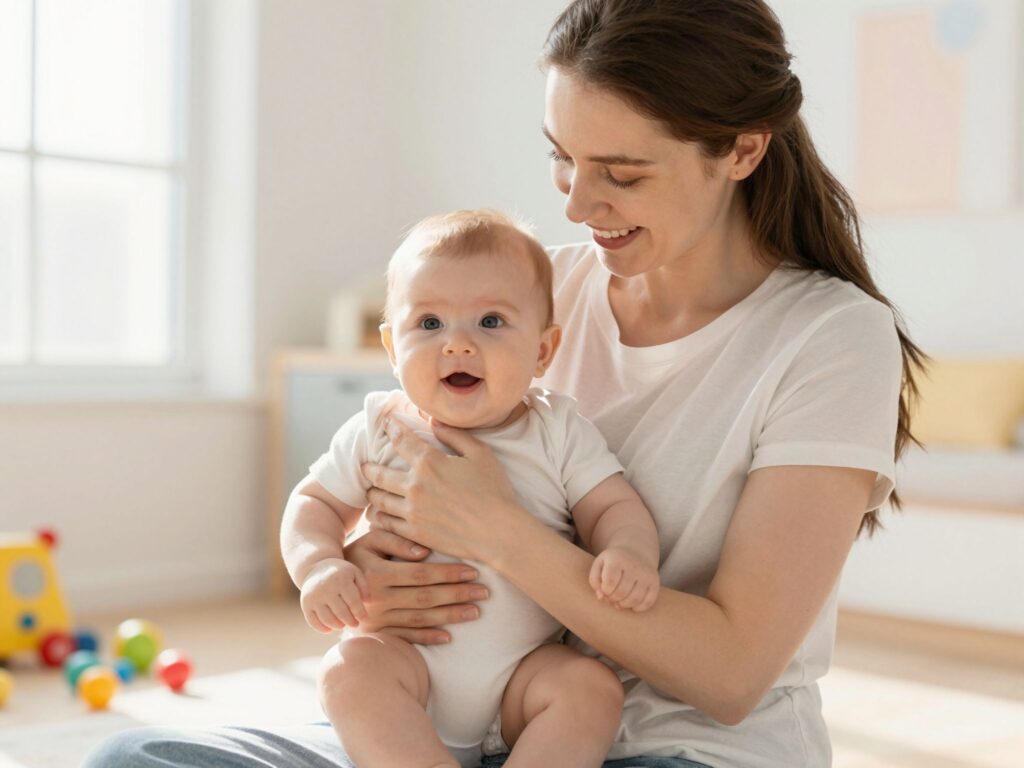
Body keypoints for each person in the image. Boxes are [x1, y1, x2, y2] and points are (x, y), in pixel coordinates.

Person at [82, 0, 924, 766]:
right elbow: (362, 497)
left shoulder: (830, 336)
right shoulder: (523, 295)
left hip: (681, 744)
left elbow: (733, 674)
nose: (576, 204)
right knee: (133, 759)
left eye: (622, 173)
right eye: (563, 158)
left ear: (742, 149)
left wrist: (497, 533)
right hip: (455, 722)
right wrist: (366, 566)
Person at [280, 208, 661, 768]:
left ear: (542, 351)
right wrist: (319, 565)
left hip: (522, 680)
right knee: (348, 670)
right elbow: (313, 502)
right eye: (429, 324)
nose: (456, 345)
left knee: (591, 689)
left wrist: (629, 552)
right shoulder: (379, 427)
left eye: (490, 322)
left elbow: (612, 507)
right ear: (392, 348)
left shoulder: (556, 430)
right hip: (409, 668)